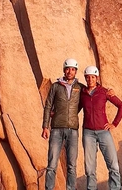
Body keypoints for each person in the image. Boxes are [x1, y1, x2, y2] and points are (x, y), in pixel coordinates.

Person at [79, 65, 122, 190]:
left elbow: (121, 106)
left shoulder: (104, 92)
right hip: (88, 133)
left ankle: (115, 188)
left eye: (93, 77)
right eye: (88, 77)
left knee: (113, 164)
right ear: (85, 78)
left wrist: (114, 124)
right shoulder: (82, 94)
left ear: (97, 78)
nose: (90, 80)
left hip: (103, 132)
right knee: (90, 167)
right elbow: (74, 110)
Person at [42, 58, 83, 190]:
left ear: (76, 71)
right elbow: (48, 106)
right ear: (64, 70)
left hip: (73, 130)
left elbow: (84, 102)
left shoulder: (80, 87)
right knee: (52, 164)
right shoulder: (56, 86)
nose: (70, 71)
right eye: (67, 69)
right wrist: (45, 126)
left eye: (72, 69)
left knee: (71, 165)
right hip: (56, 129)